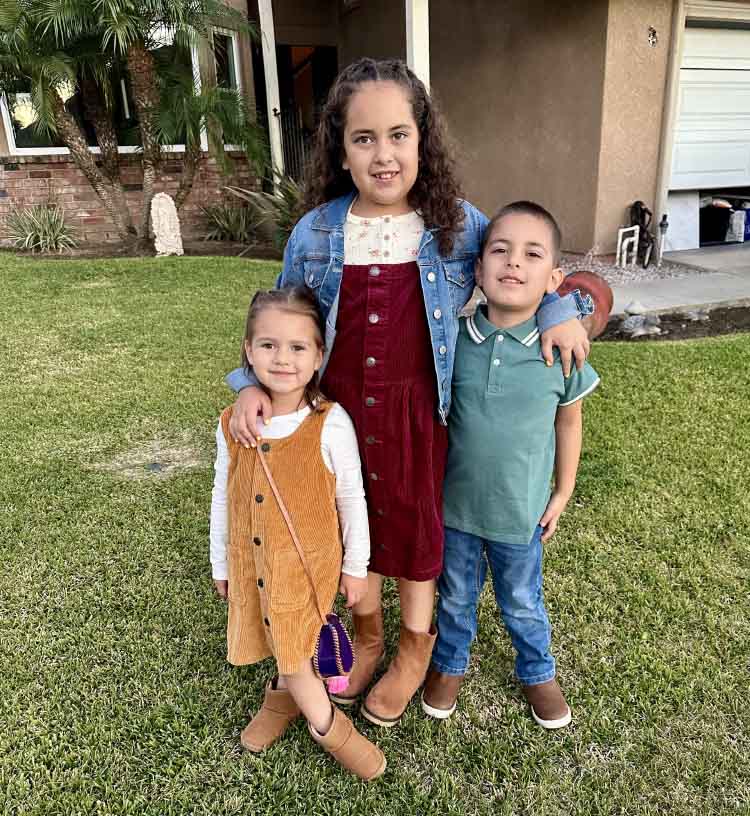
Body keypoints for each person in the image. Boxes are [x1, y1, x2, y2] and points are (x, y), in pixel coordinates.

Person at [225, 58, 594, 728]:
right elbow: (278, 318)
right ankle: (366, 636)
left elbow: (522, 262)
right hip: (336, 417)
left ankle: (413, 651)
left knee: (415, 525)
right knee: (348, 522)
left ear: (423, 139)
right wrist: (251, 384)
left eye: (399, 135)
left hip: (420, 416)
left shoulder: (457, 224)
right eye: (364, 138)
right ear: (340, 148)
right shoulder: (316, 233)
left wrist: (558, 308)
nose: (384, 154)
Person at [421, 201, 600, 729]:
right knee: (454, 598)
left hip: (520, 516)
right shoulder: (451, 341)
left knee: (522, 601)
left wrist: (563, 491)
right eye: (499, 250)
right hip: (455, 511)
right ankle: (450, 664)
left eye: (531, 254)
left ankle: (537, 671)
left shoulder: (560, 350)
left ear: (554, 279)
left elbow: (569, 423)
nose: (513, 263)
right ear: (478, 270)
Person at [209, 287, 385, 780]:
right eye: (267, 345)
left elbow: (352, 499)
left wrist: (356, 567)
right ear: (248, 350)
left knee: (293, 645)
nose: (281, 359)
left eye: (297, 348)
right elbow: (223, 494)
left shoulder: (331, 424)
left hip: (306, 566)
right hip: (252, 561)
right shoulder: (231, 423)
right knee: (278, 637)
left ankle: (332, 729)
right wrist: (221, 565)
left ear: (318, 357)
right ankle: (281, 699)